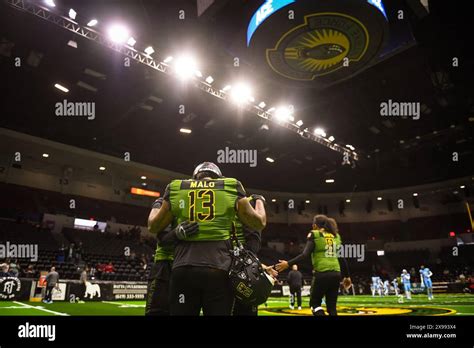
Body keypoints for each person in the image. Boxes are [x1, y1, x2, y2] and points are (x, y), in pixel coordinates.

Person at [148, 162, 267, 316]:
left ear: (194, 177)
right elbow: (259, 222)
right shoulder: (231, 186)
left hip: (183, 269)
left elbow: (153, 227)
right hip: (218, 269)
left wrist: (157, 206)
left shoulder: (176, 187)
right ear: (218, 177)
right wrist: (259, 201)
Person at [276, 215, 351, 316]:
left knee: (315, 304)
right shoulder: (336, 236)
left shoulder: (314, 234)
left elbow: (305, 255)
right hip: (336, 273)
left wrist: (288, 263)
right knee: (332, 308)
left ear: (315, 225)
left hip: (322, 273)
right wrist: (347, 276)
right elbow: (341, 258)